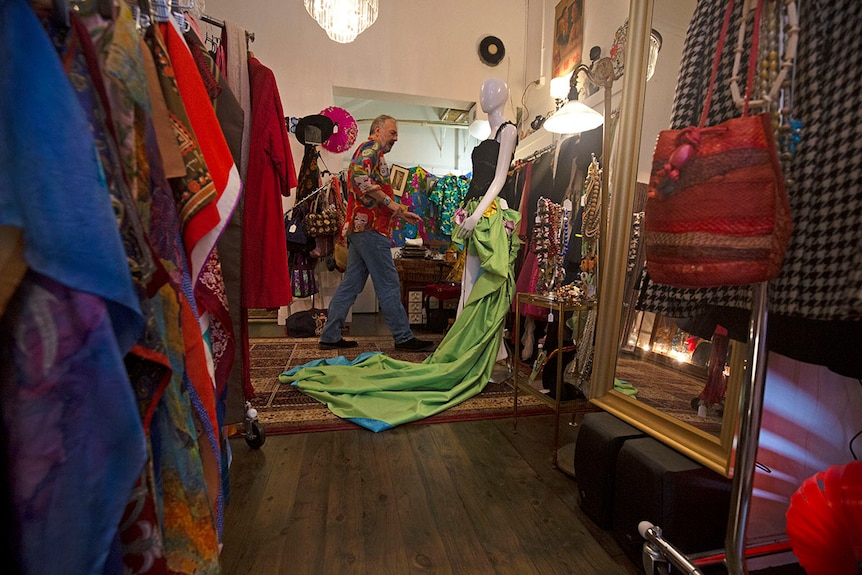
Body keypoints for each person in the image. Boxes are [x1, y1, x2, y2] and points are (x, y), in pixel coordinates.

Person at [318, 115, 435, 352]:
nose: (396, 137)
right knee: (389, 284)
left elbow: (372, 189)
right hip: (371, 230)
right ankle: (403, 337)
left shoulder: (374, 154)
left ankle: (330, 336)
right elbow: (359, 179)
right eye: (392, 132)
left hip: (361, 229)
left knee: (351, 285)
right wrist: (394, 207)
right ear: (378, 130)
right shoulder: (371, 148)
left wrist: (400, 212)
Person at [455, 77, 518, 363]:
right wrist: (464, 211)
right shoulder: (485, 138)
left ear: (503, 96)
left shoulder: (509, 130)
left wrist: (477, 213)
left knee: (489, 280)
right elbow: (477, 180)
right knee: (468, 282)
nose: (485, 95)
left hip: (493, 211)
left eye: (491, 90)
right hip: (476, 210)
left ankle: (491, 351)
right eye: (483, 90)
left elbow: (500, 178)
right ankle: (467, 346)